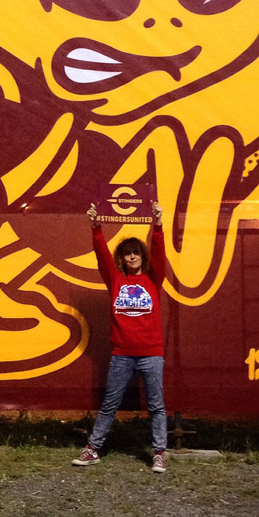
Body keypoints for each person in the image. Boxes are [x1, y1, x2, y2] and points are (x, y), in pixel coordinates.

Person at [72, 201, 167, 473]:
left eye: (137, 253)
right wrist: (95, 227)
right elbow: (101, 254)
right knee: (110, 404)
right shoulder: (115, 280)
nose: (133, 257)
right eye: (128, 254)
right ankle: (93, 449)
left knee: (156, 405)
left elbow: (160, 253)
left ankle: (159, 453)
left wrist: (157, 224)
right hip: (122, 354)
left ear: (143, 256)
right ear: (122, 259)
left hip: (151, 354)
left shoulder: (153, 278)